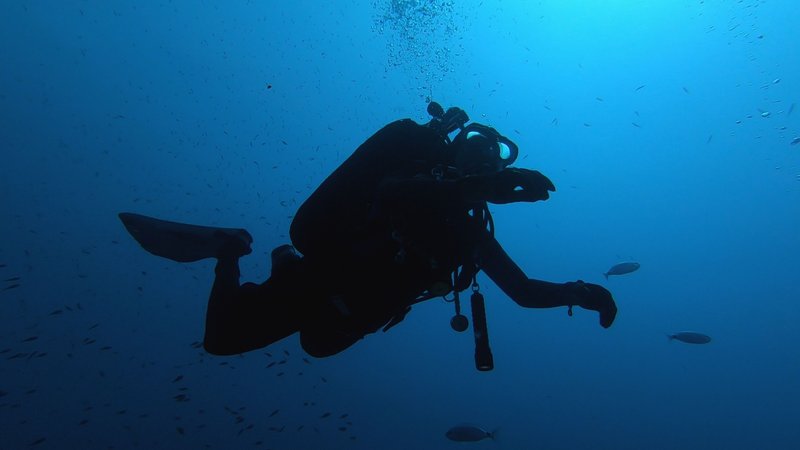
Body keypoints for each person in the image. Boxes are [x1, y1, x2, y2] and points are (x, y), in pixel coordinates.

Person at [119, 102, 617, 360]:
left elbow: (524, 292)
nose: (482, 168)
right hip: (326, 272)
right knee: (221, 342)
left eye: (489, 164)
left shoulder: (471, 232)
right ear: (457, 160)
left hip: (352, 312)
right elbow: (397, 193)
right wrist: (479, 185)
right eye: (475, 159)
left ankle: (277, 260)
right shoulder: (420, 179)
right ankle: (231, 250)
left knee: (317, 346)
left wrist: (579, 292)